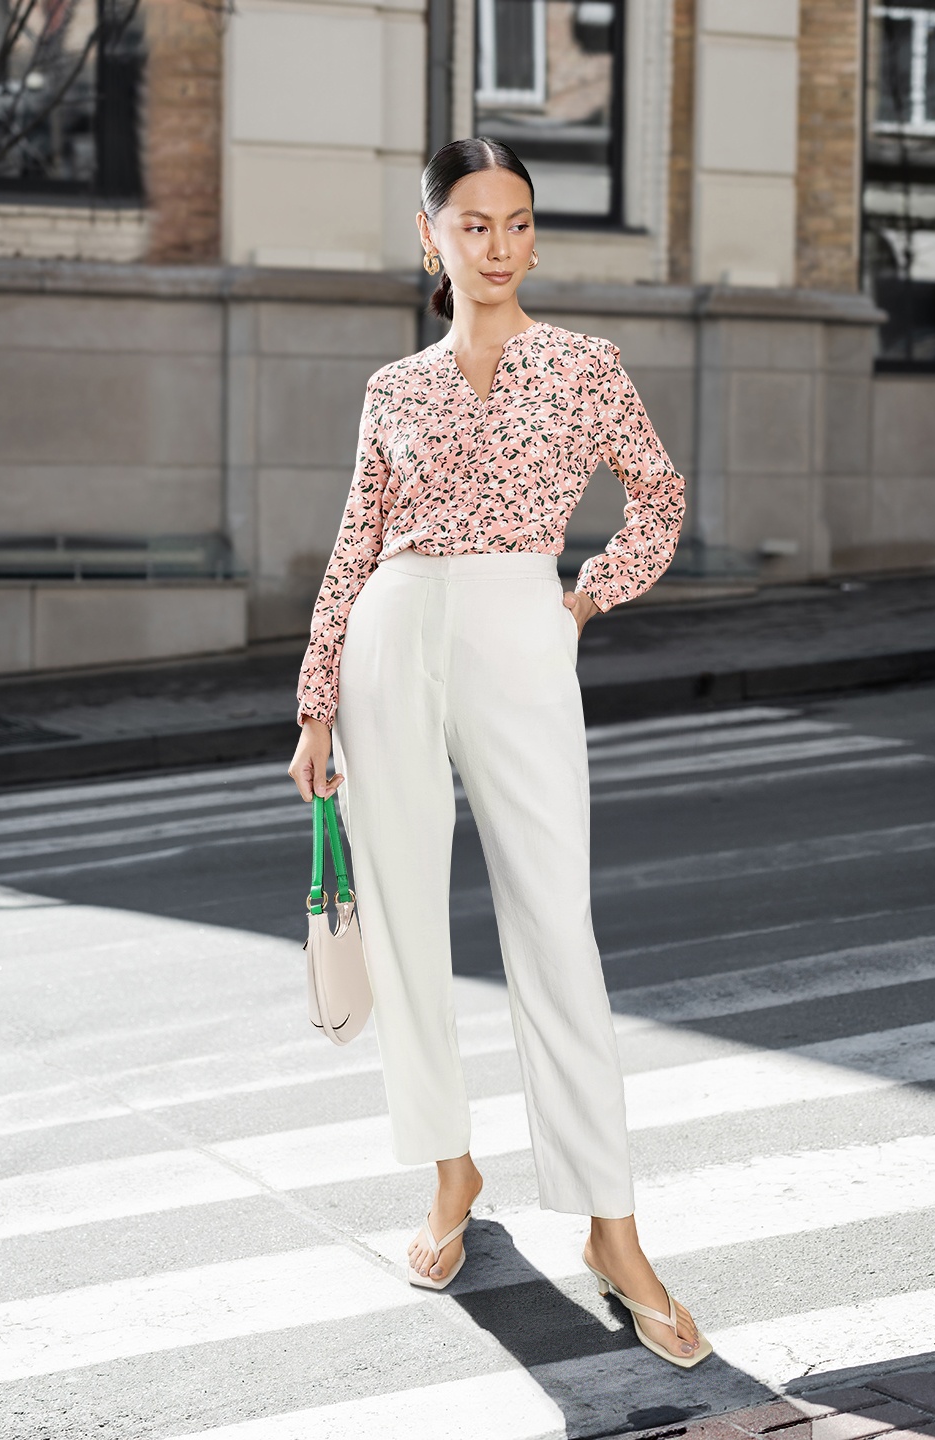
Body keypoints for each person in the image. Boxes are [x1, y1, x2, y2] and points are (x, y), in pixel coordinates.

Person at [288, 136, 711, 1368]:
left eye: (519, 223)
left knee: (554, 927)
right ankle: (451, 1174)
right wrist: (316, 706)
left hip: (524, 630)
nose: (500, 245)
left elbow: (662, 498)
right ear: (430, 235)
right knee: (410, 927)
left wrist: (581, 600)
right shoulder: (394, 389)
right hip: (390, 638)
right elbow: (352, 546)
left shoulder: (585, 366)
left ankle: (612, 1227)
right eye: (474, 224)